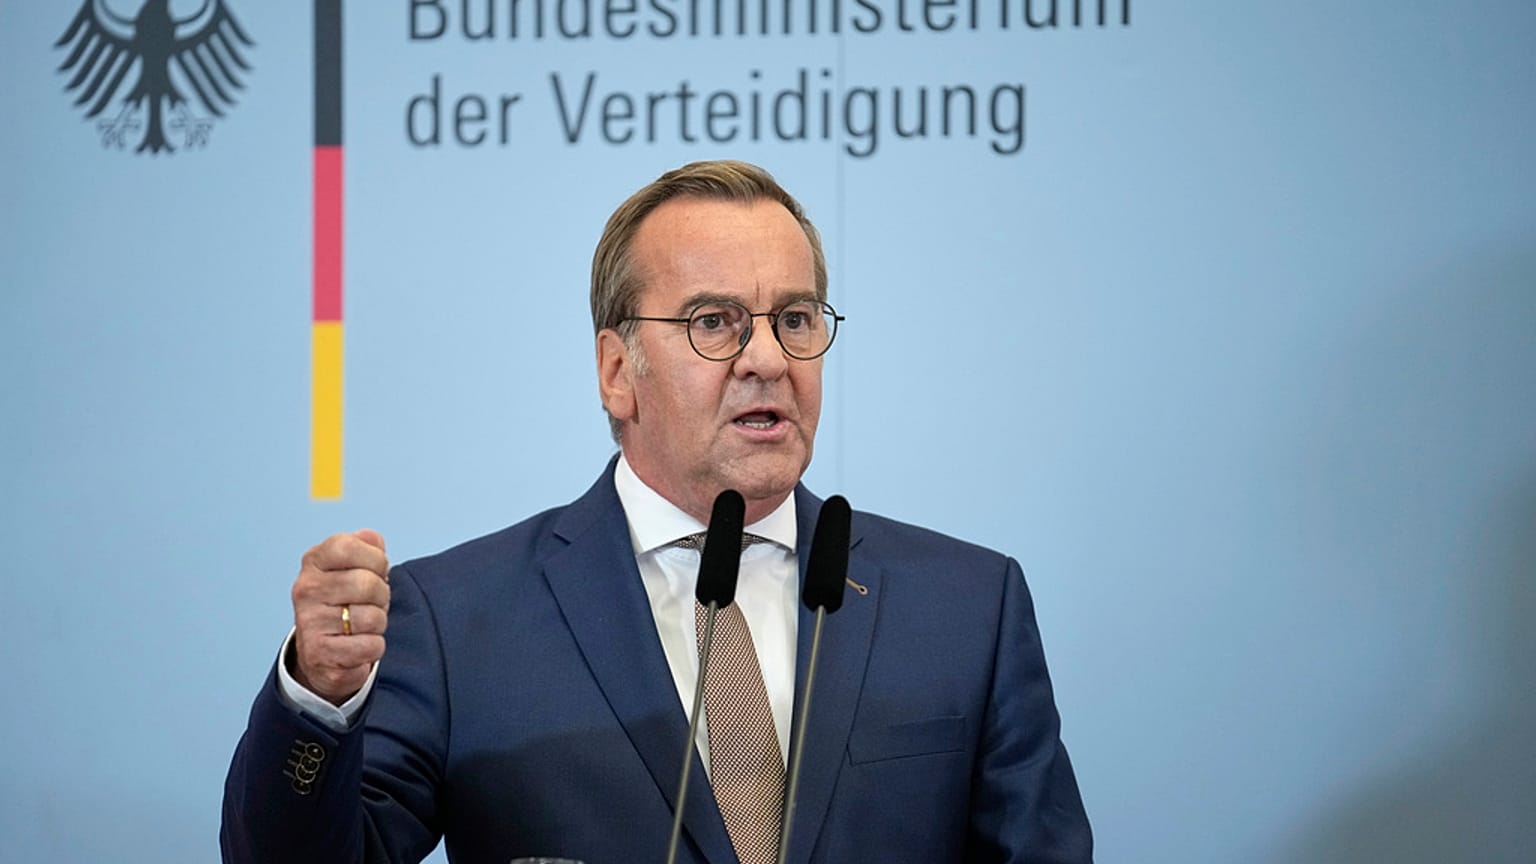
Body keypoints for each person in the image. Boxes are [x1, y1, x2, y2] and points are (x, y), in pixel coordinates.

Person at [221, 160, 1092, 863]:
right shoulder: (457, 622)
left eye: (794, 318)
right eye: (714, 322)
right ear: (616, 371)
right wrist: (321, 699)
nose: (767, 359)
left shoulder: (967, 607)